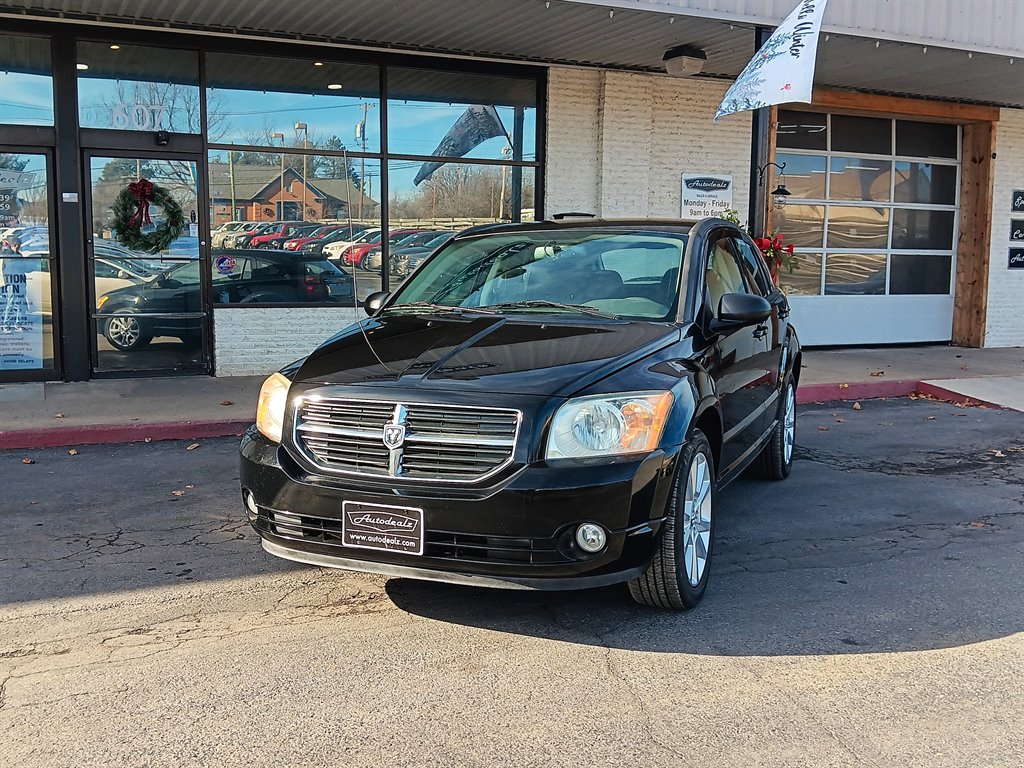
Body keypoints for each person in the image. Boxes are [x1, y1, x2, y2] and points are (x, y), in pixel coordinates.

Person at [1, 234, 30, 333]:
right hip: (12, 282)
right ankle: (6, 324)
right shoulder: (7, 254)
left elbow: (24, 267)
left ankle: (18, 324)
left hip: (21, 281)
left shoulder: (19, 255)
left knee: (21, 303)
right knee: (11, 302)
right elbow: (11, 268)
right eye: (19, 245)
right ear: (16, 245)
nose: (20, 247)